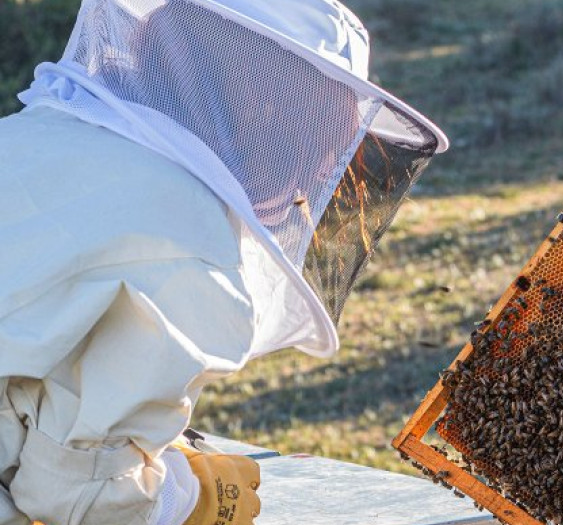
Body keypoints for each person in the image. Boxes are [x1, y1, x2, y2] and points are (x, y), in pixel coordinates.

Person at [0, 0, 447, 523]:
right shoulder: (185, 234)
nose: (329, 163)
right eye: (328, 129)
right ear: (274, 110)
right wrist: (193, 495)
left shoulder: (23, 140)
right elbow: (83, 498)